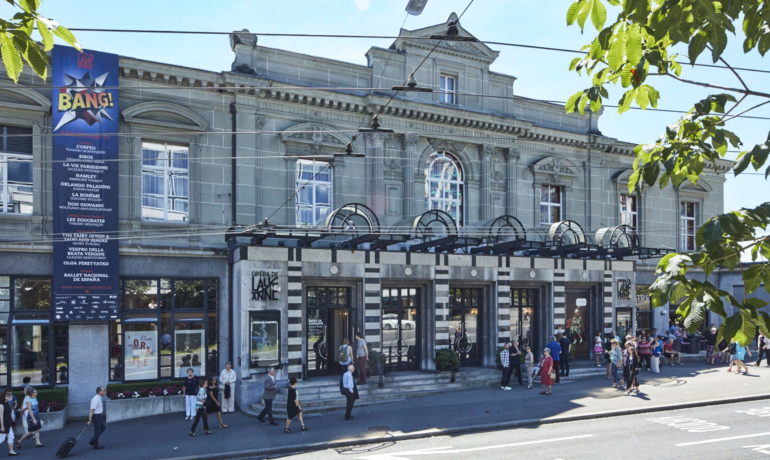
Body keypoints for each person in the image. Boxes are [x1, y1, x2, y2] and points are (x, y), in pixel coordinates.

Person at [0, 391, 18, 456]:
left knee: (11, 437)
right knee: (2, 438)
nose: (8, 397)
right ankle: (11, 451)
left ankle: (11, 451)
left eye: (8, 395)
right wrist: (2, 426)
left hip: (9, 423)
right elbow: (1, 416)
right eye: (7, 396)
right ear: (3, 397)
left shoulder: (7, 403)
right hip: (4, 424)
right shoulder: (1, 405)